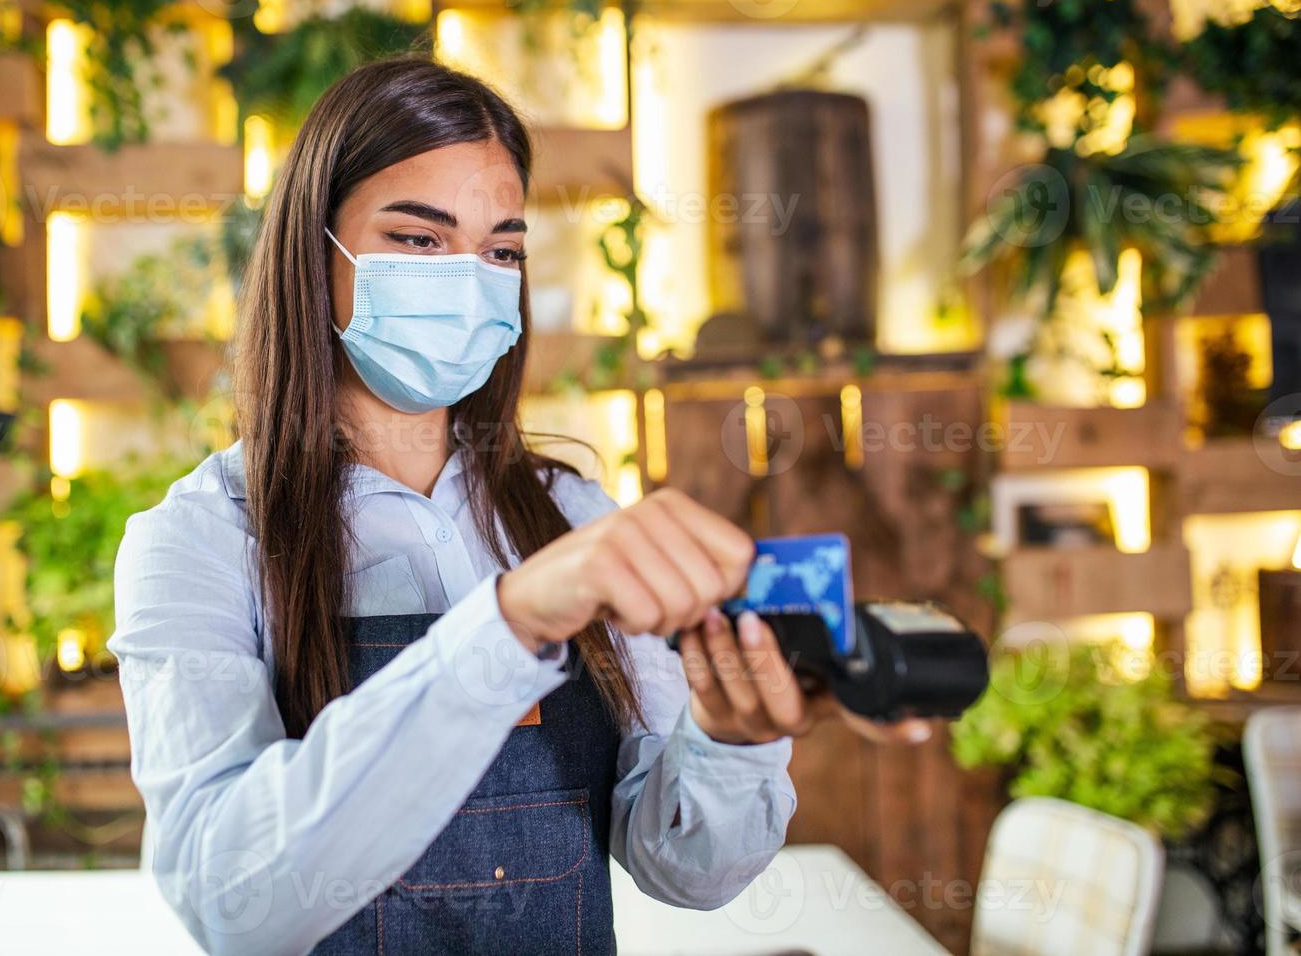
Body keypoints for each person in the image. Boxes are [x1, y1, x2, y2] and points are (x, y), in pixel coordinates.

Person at [111, 55, 927, 956]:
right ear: (315, 254)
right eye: (419, 240)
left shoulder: (572, 515)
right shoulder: (198, 540)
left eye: (501, 249)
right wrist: (510, 621)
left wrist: (729, 741)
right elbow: (230, 900)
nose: (468, 278)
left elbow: (683, 872)